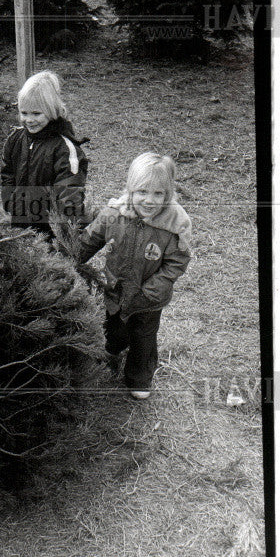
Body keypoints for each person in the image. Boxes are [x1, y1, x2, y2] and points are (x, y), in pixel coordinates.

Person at [77, 152, 192, 399]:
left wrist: (155, 288)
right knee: (113, 327)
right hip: (114, 288)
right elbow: (91, 239)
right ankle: (109, 355)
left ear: (168, 194)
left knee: (143, 338)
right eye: (142, 192)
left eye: (158, 193)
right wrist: (70, 257)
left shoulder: (174, 225)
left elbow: (177, 261)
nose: (149, 200)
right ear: (130, 189)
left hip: (149, 298)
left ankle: (139, 377)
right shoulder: (114, 214)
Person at [0, 70, 88, 236]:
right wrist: (10, 204)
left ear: (51, 111)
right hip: (19, 223)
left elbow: (70, 191)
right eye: (24, 113)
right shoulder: (15, 139)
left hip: (50, 231)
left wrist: (65, 232)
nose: (29, 120)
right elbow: (7, 174)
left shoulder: (64, 148)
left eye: (36, 113)